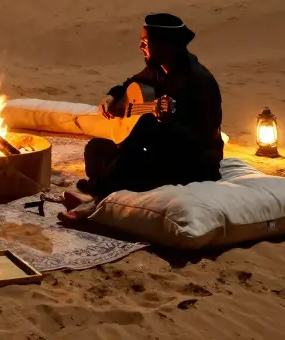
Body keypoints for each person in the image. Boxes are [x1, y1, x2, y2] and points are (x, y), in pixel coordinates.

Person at [59, 13, 224, 223]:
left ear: (166, 46)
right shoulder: (158, 69)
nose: (141, 47)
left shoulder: (199, 82)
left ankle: (97, 200)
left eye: (146, 42)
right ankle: (99, 190)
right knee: (96, 148)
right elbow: (129, 84)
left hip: (192, 165)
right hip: (161, 151)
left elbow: (200, 141)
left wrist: (169, 124)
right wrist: (112, 96)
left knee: (140, 141)